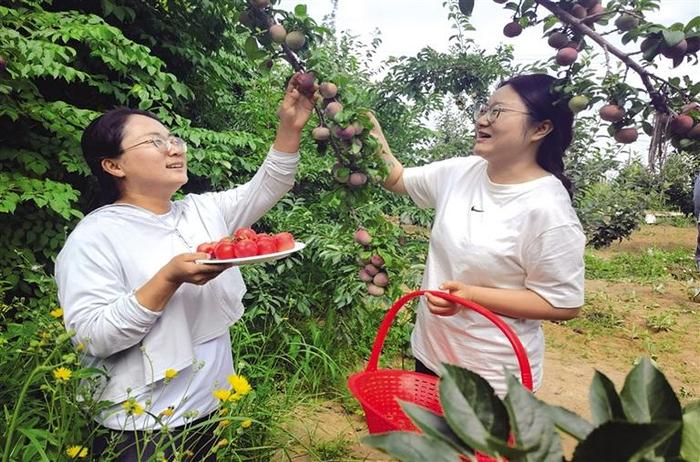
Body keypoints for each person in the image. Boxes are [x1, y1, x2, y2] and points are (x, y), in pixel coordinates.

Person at [54, 74, 316, 460]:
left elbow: (270, 183)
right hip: (140, 422)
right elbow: (92, 337)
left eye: (172, 138)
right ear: (113, 165)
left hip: (209, 406)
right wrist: (168, 278)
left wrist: (289, 126)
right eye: (154, 142)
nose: (173, 148)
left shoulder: (202, 211)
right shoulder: (94, 236)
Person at [370, 73, 585, 396]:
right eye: (485, 109)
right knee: (431, 445)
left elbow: (562, 303)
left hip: (492, 379)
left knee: (472, 449)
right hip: (432, 355)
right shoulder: (462, 172)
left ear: (541, 129)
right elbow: (397, 178)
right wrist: (366, 126)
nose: (483, 119)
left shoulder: (548, 209)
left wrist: (472, 297)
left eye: (498, 112)